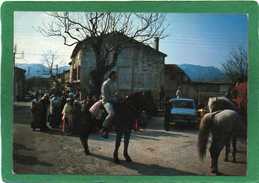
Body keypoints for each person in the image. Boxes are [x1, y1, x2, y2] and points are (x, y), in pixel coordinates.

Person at [100, 71, 119, 138]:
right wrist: (114, 99)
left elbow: (116, 93)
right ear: (111, 76)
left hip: (114, 101)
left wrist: (119, 97)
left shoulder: (114, 83)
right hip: (106, 102)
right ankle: (103, 128)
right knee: (111, 114)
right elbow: (105, 96)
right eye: (115, 75)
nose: (116, 76)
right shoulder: (106, 83)